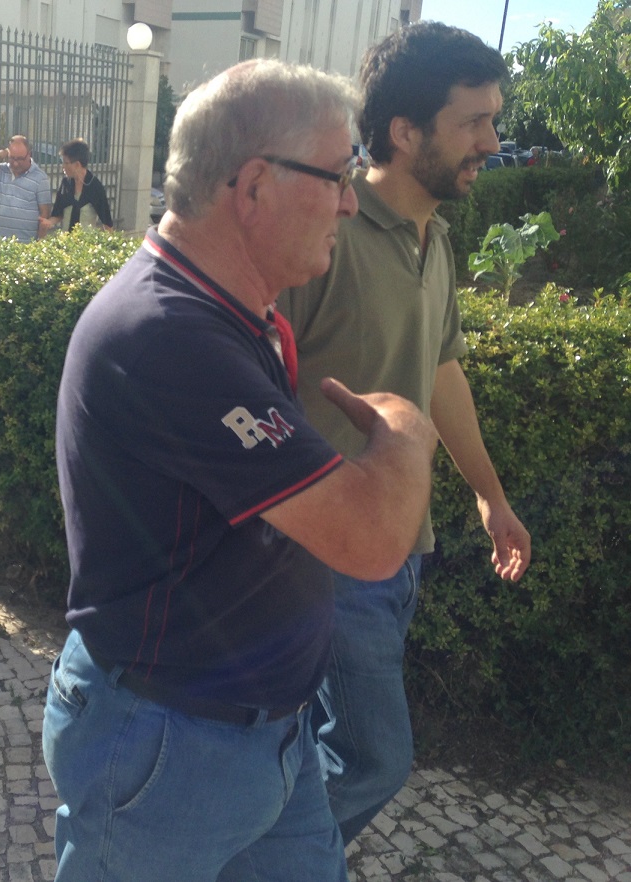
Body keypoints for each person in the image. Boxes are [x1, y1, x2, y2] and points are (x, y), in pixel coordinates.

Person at [44, 59, 439, 881]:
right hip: (168, 746)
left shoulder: (234, 310)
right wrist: (404, 432)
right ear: (253, 186)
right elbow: (370, 542)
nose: (349, 199)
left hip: (270, 732)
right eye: (336, 175)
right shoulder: (171, 334)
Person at [278, 22, 532, 845]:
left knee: (325, 744)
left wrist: (491, 498)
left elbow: (441, 374)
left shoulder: (438, 238)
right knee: (372, 758)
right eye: (474, 123)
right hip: (329, 556)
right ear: (404, 131)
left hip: (403, 549)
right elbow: (248, 382)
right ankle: (272, 863)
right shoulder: (327, 231)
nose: (492, 142)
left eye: (494, 121)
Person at [0, 135, 52, 241]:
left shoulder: (40, 178)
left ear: (29, 155)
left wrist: (40, 242)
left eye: (20, 159)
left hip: (26, 245)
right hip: (1, 243)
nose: (16, 163)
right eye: (12, 158)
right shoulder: (1, 170)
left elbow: (45, 213)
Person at [41, 138, 113, 233]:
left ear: (77, 165)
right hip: (67, 243)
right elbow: (58, 214)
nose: (63, 166)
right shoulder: (65, 184)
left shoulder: (95, 186)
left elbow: (107, 223)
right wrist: (48, 222)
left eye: (66, 163)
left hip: (86, 244)